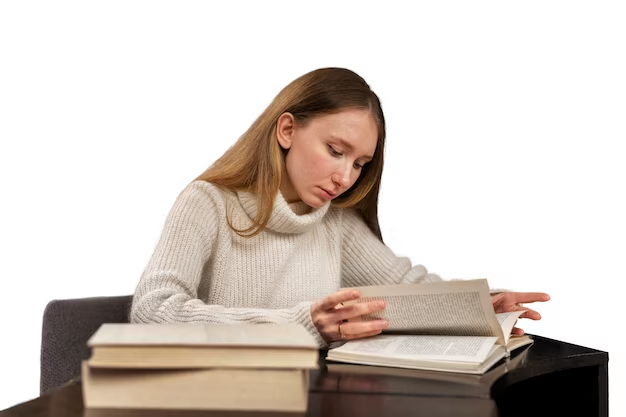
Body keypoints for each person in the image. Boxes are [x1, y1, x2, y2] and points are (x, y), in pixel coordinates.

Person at [130, 67, 550, 347]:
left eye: (359, 164)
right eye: (335, 151)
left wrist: (479, 304)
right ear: (288, 129)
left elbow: (404, 285)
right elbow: (150, 310)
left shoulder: (335, 223)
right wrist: (303, 325)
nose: (346, 178)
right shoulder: (207, 202)